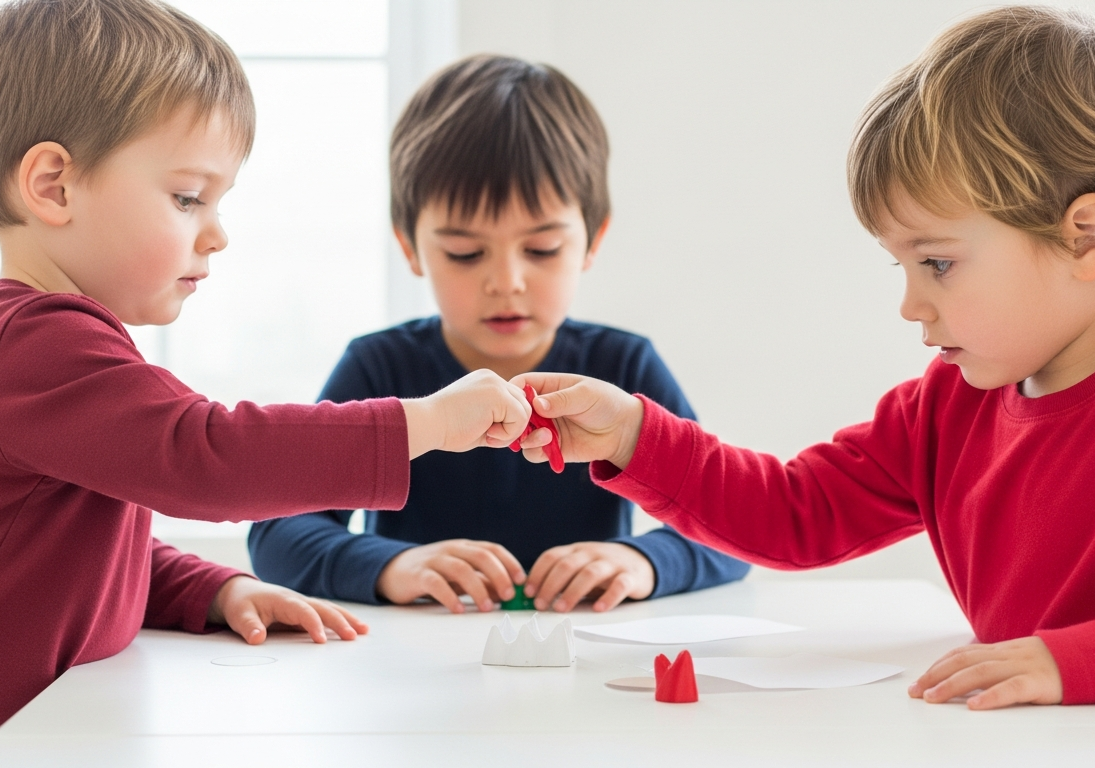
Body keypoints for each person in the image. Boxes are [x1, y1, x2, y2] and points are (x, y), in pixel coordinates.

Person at [510, 8, 1095, 767]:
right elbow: (799, 513)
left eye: (936, 262)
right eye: (902, 265)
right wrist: (633, 436)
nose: (910, 303)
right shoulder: (953, 403)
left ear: (1086, 235)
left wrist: (1079, 660)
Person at [0, 2, 530, 764]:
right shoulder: (32, 345)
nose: (216, 234)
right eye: (187, 198)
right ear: (53, 186)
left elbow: (79, 557)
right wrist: (426, 423)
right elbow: (206, 456)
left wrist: (212, 591)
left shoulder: (52, 345)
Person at [248, 55, 748, 615]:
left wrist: (641, 561)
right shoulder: (379, 366)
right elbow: (277, 536)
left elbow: (733, 526)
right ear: (410, 246)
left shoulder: (624, 364)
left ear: (591, 240)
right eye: (465, 253)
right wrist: (390, 566)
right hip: (417, 664)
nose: (506, 282)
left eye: (542, 250)